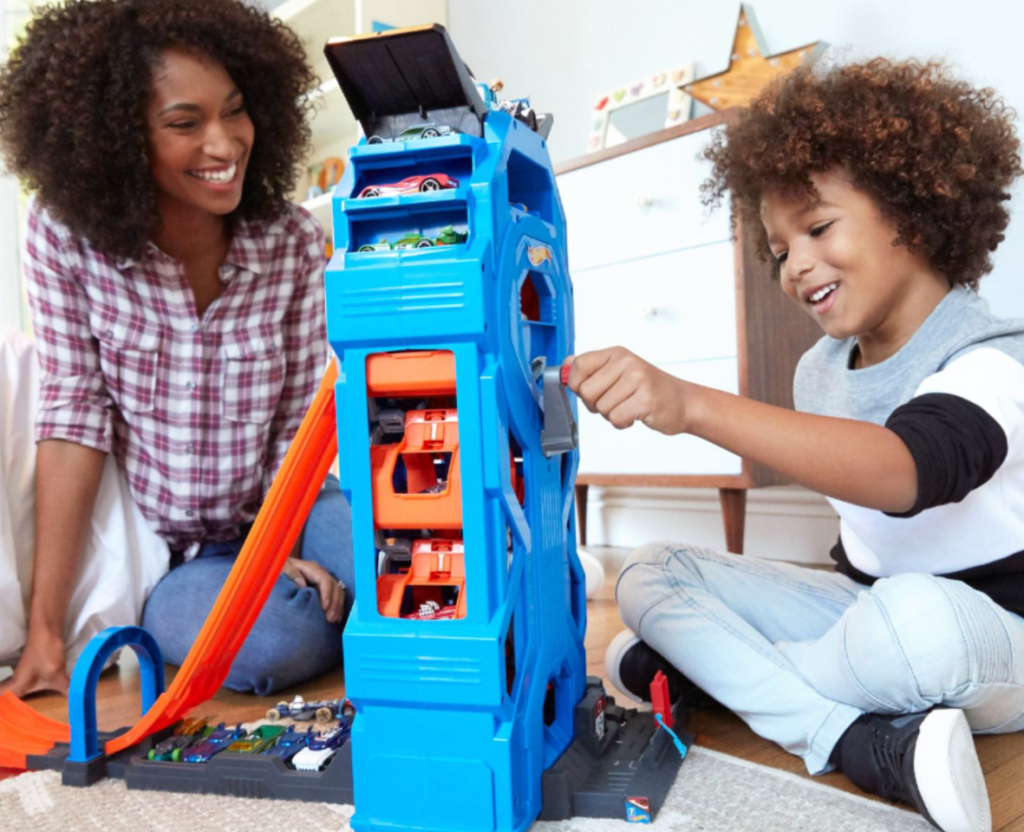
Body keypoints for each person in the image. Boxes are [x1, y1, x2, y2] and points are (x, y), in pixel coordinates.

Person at [566, 59, 1024, 832]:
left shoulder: (994, 360)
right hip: (868, 613)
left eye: (816, 228)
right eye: (778, 250)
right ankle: (856, 741)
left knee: (914, 624)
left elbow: (907, 473)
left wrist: (688, 403)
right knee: (650, 574)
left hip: (989, 636)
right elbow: (861, 549)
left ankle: (711, 677)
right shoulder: (822, 371)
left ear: (910, 211)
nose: (795, 265)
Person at [0, 0, 353, 698]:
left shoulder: (290, 243)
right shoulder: (63, 237)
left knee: (401, 560)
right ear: (117, 140)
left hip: (296, 506)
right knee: (265, 645)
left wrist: (276, 548)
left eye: (236, 111)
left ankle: (365, 606)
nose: (224, 146)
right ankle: (361, 621)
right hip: (186, 554)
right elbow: (73, 417)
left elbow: (297, 431)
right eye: (184, 124)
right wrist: (44, 634)